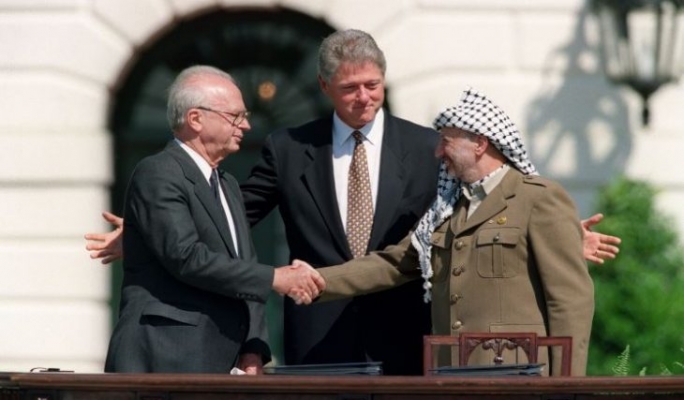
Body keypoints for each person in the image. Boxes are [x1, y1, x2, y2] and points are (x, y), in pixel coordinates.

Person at [86, 30, 620, 375]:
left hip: (410, 338)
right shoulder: (289, 147)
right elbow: (228, 218)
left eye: (373, 85)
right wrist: (147, 231)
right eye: (350, 88)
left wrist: (562, 235)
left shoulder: (426, 147)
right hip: (319, 337)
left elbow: (485, 210)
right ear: (325, 86)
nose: (364, 97)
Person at [300, 87, 595, 376]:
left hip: (516, 375)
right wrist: (318, 280)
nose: (438, 152)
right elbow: (395, 263)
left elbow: (570, 300)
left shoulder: (538, 198)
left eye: (446, 142)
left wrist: (565, 385)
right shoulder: (446, 208)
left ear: (479, 144)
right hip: (450, 373)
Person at [104, 65, 324, 374]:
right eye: (235, 116)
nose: (246, 125)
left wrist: (254, 347)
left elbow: (243, 262)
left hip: (221, 362)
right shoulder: (159, 172)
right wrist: (275, 278)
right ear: (195, 119)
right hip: (165, 356)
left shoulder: (228, 184)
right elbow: (186, 256)